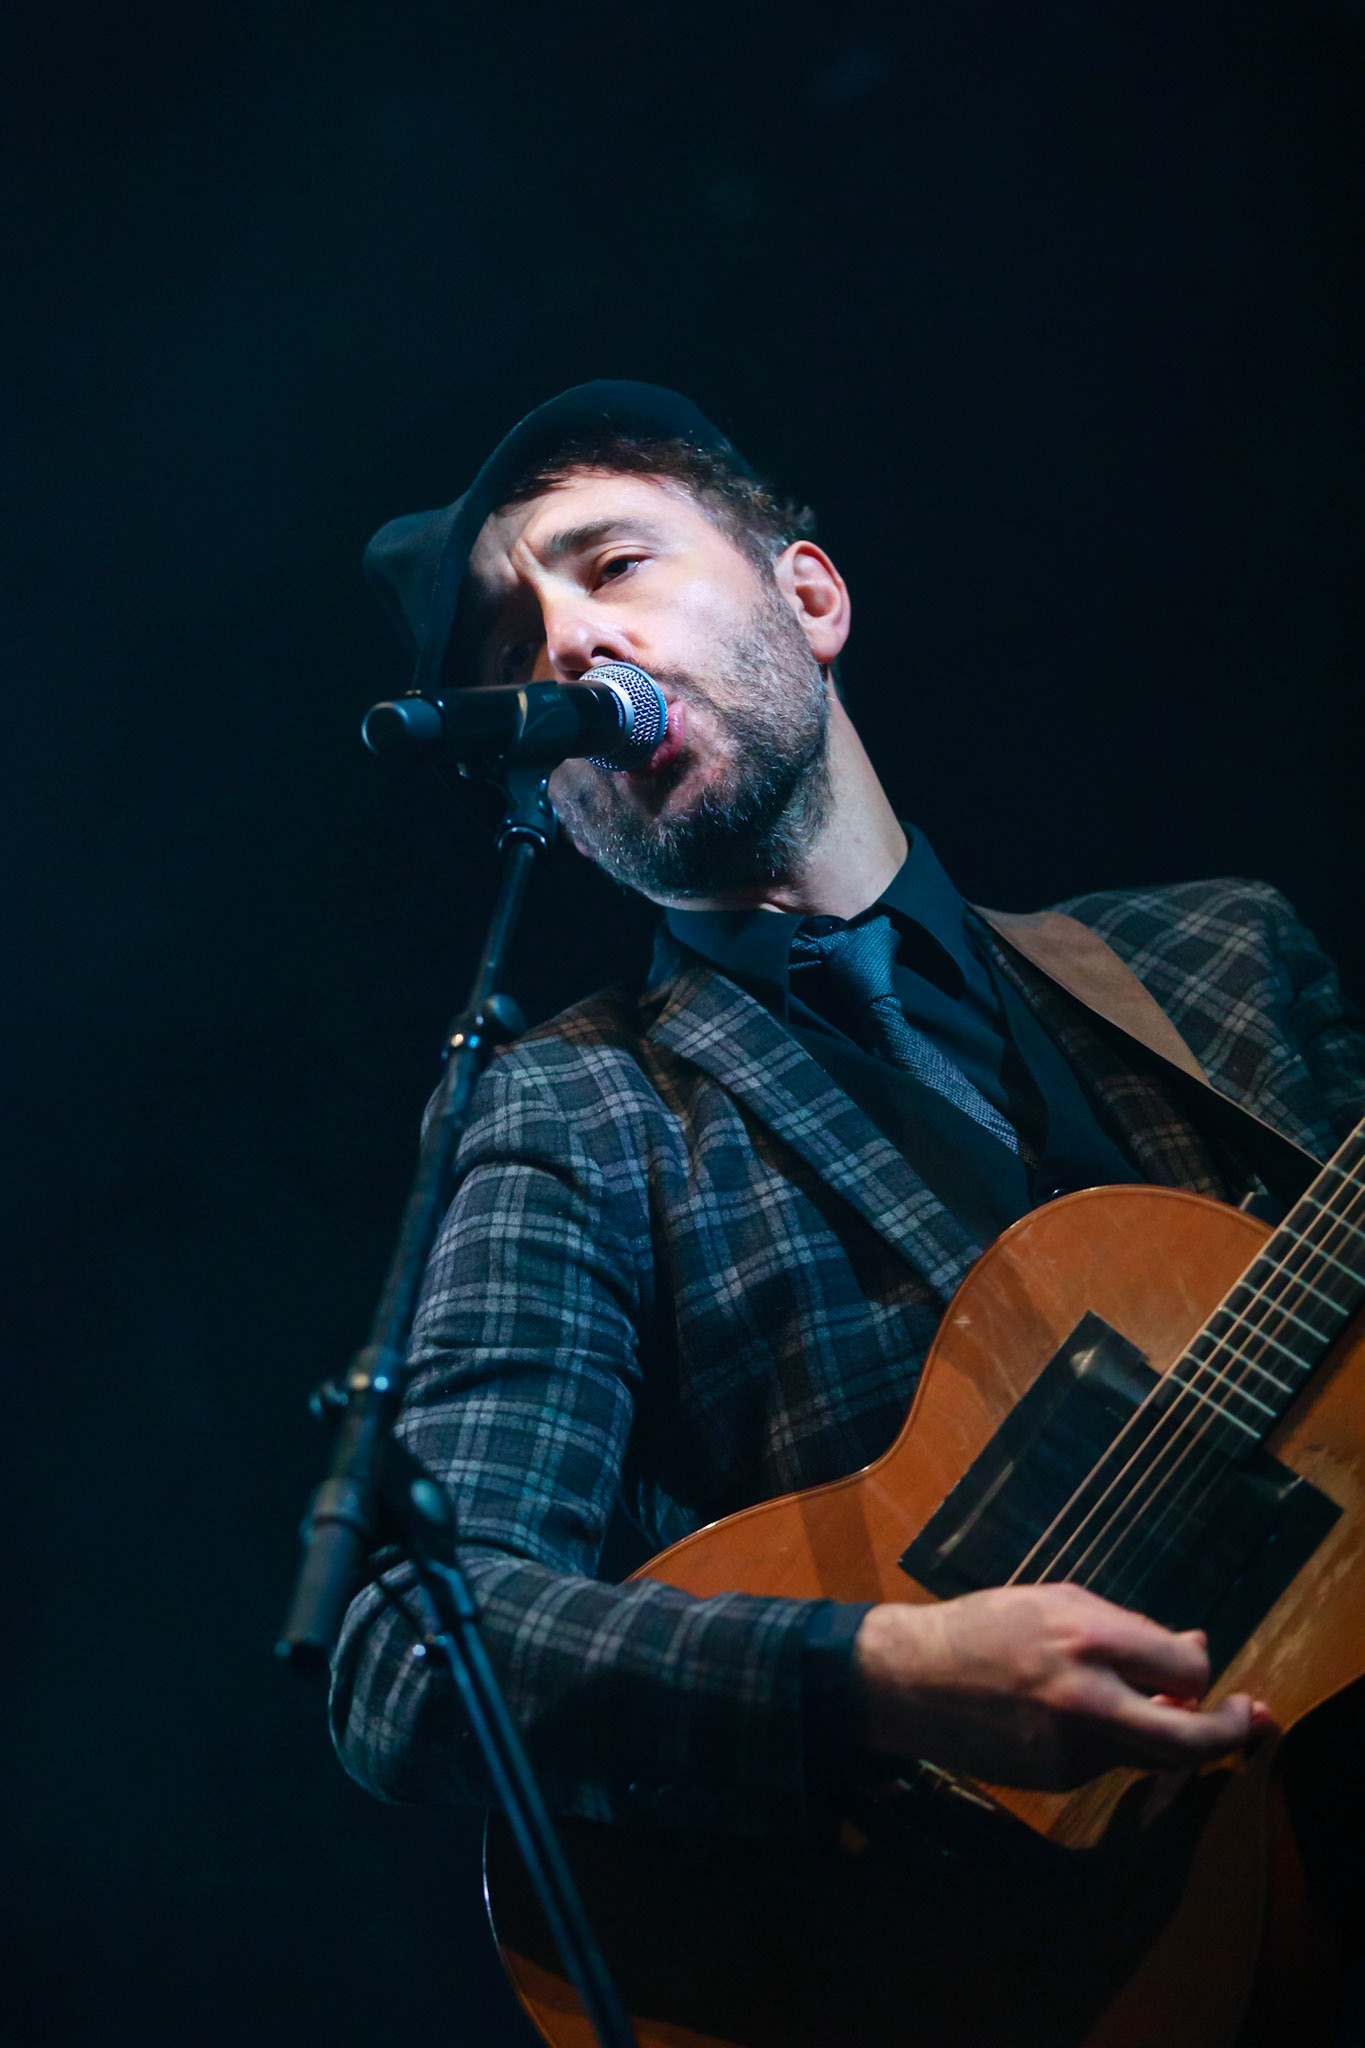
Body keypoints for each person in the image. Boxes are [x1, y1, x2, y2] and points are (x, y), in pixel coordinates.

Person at [331, 381, 1363, 1845]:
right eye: (512, 648)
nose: (564, 644)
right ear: (550, 801)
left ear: (807, 599)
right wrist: (878, 1677)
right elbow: (411, 1654)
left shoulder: (1220, 964)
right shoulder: (573, 1111)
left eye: (612, 564)